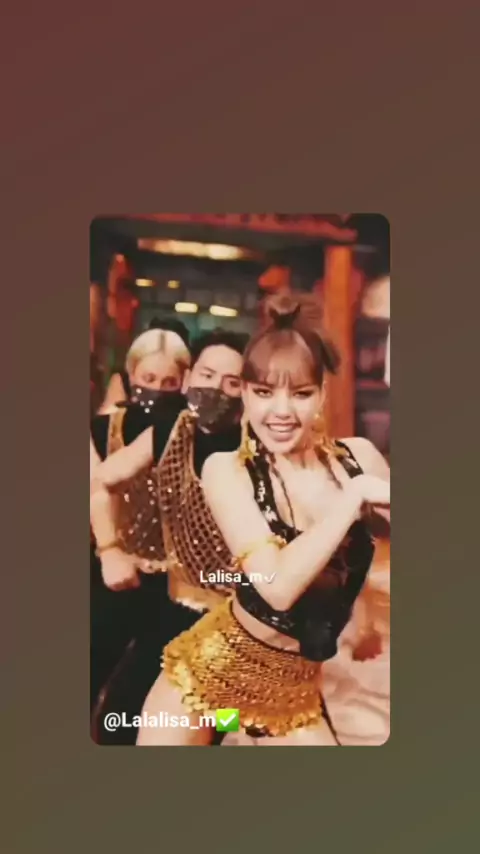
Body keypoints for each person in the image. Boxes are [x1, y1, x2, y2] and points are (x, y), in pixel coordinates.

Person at [136, 293, 390, 746]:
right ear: (246, 395)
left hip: (290, 696)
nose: (281, 412)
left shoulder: (360, 460)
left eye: (301, 393)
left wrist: (367, 617)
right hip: (209, 680)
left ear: (322, 394)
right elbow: (276, 587)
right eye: (263, 392)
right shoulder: (227, 470)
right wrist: (352, 498)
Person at [90, 329, 246, 742]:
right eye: (207, 375)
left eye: (232, 382)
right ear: (190, 378)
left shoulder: (257, 443)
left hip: (235, 615)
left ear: (247, 390)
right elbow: (101, 482)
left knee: (223, 722)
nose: (217, 390)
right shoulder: (169, 428)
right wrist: (109, 549)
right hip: (175, 604)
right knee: (120, 716)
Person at [98, 321, 190, 414]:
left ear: (183, 381)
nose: (157, 387)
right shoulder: (113, 419)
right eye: (149, 379)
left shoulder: (189, 419)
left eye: (169, 383)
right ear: (132, 375)